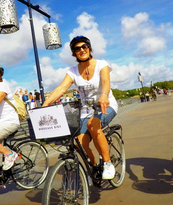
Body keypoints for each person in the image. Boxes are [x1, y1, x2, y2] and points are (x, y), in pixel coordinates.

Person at [41, 36, 119, 180]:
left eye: (84, 46)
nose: (81, 50)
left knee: (93, 124)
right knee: (79, 143)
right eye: (77, 49)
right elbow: (61, 89)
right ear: (74, 53)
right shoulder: (72, 71)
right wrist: (45, 105)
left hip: (105, 104)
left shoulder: (101, 64)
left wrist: (103, 95)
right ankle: (93, 168)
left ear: (89, 48)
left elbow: (106, 82)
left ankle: (107, 163)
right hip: (86, 110)